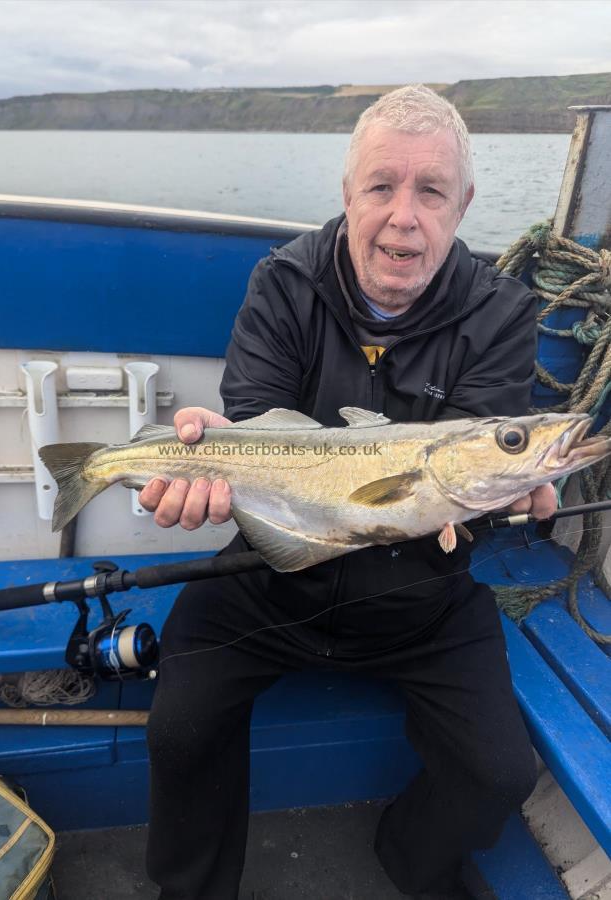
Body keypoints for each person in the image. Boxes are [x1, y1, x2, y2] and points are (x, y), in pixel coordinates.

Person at [139, 85, 556, 900]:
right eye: (381, 186)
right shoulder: (284, 284)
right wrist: (212, 460)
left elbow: (475, 471)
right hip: (267, 579)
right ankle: (191, 891)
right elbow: (255, 425)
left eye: (430, 190)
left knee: (500, 771)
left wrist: (508, 492)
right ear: (347, 193)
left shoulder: (502, 313)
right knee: (179, 730)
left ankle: (411, 853)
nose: (404, 216)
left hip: (421, 600)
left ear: (462, 204)